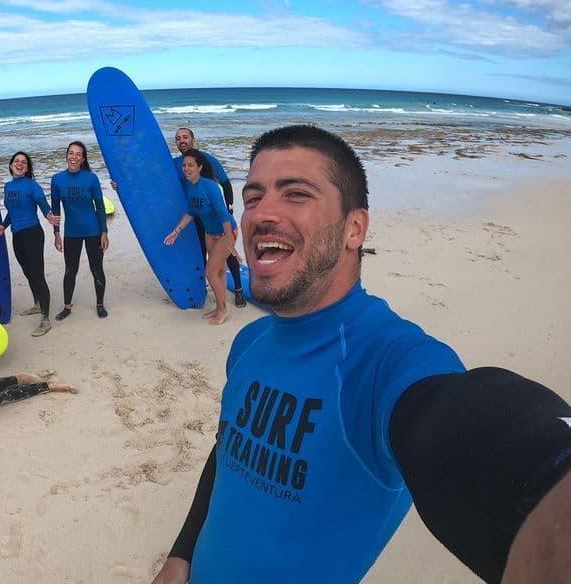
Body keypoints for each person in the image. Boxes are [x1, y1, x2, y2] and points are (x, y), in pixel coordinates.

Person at [150, 125, 571, 584]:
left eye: (296, 194)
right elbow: (228, 450)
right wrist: (182, 552)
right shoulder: (247, 344)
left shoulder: (387, 362)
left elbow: (470, 424)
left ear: (354, 228)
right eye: (252, 198)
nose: (260, 214)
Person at [173, 127, 246, 308]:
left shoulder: (206, 160)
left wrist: (228, 210)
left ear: (193, 139)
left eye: (185, 137)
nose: (182, 140)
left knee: (227, 255)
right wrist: (120, 184)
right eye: (178, 138)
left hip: (214, 215)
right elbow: (151, 176)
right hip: (195, 215)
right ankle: (209, 287)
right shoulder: (175, 164)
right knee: (201, 253)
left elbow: (226, 184)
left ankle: (238, 289)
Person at [163, 150, 236, 325]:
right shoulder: (190, 186)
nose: (186, 169)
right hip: (209, 232)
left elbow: (223, 215)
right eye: (184, 165)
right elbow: (191, 212)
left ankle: (223, 309)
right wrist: (177, 231)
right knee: (218, 271)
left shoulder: (210, 186)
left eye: (190, 165)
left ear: (200, 167)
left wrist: (231, 243)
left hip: (226, 232)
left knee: (210, 272)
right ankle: (219, 307)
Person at [0, 151, 59, 337]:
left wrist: (49, 215)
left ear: (27, 167)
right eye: (16, 161)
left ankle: (45, 319)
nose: (20, 164)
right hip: (17, 235)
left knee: (37, 275)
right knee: (27, 272)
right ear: (11, 165)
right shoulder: (7, 186)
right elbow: (11, 212)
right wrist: (3, 227)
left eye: (23, 162)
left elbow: (42, 203)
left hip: (32, 234)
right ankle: (37, 304)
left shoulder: (32, 185)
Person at [50, 141, 109, 320]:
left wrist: (104, 232)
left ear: (83, 159)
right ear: (66, 155)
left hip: (93, 231)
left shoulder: (91, 178)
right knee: (70, 270)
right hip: (71, 233)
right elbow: (56, 210)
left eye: (78, 154)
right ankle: (67, 307)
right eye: (71, 153)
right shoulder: (57, 179)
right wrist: (56, 233)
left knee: (97, 269)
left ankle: (100, 304)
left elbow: (99, 207)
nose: (74, 157)